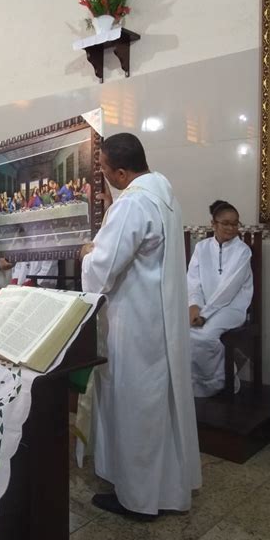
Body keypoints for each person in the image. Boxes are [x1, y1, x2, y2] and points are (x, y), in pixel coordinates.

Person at [80, 133, 201, 518]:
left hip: (134, 325)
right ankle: (165, 487)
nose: (102, 174)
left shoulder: (132, 203)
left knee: (134, 407)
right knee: (156, 407)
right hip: (158, 319)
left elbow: (103, 268)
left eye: (102, 168)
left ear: (120, 171)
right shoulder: (165, 195)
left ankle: (137, 498)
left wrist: (87, 254)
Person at [188, 200, 253, 397]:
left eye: (235, 223)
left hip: (232, 308)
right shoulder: (201, 248)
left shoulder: (242, 251)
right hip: (205, 307)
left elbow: (228, 289)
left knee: (203, 336)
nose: (231, 228)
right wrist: (194, 306)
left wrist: (205, 314)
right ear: (213, 224)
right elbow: (193, 280)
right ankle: (199, 382)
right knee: (181, 332)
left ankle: (223, 381)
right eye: (225, 223)